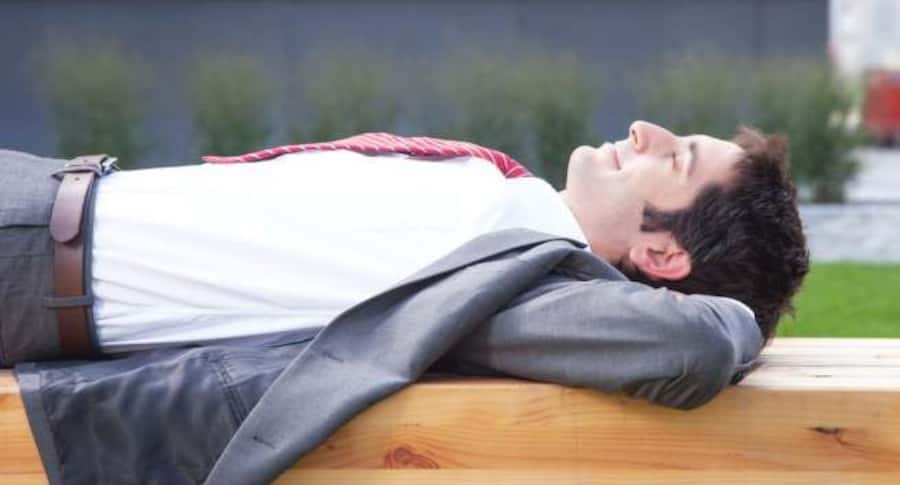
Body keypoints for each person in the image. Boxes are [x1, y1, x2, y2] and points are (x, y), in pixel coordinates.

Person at [0, 120, 807, 366]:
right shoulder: (510, 202)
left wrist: (744, 316)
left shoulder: (524, 280)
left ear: (663, 256)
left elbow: (699, 339)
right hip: (46, 196)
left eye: (676, 158)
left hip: (31, 269)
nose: (644, 128)